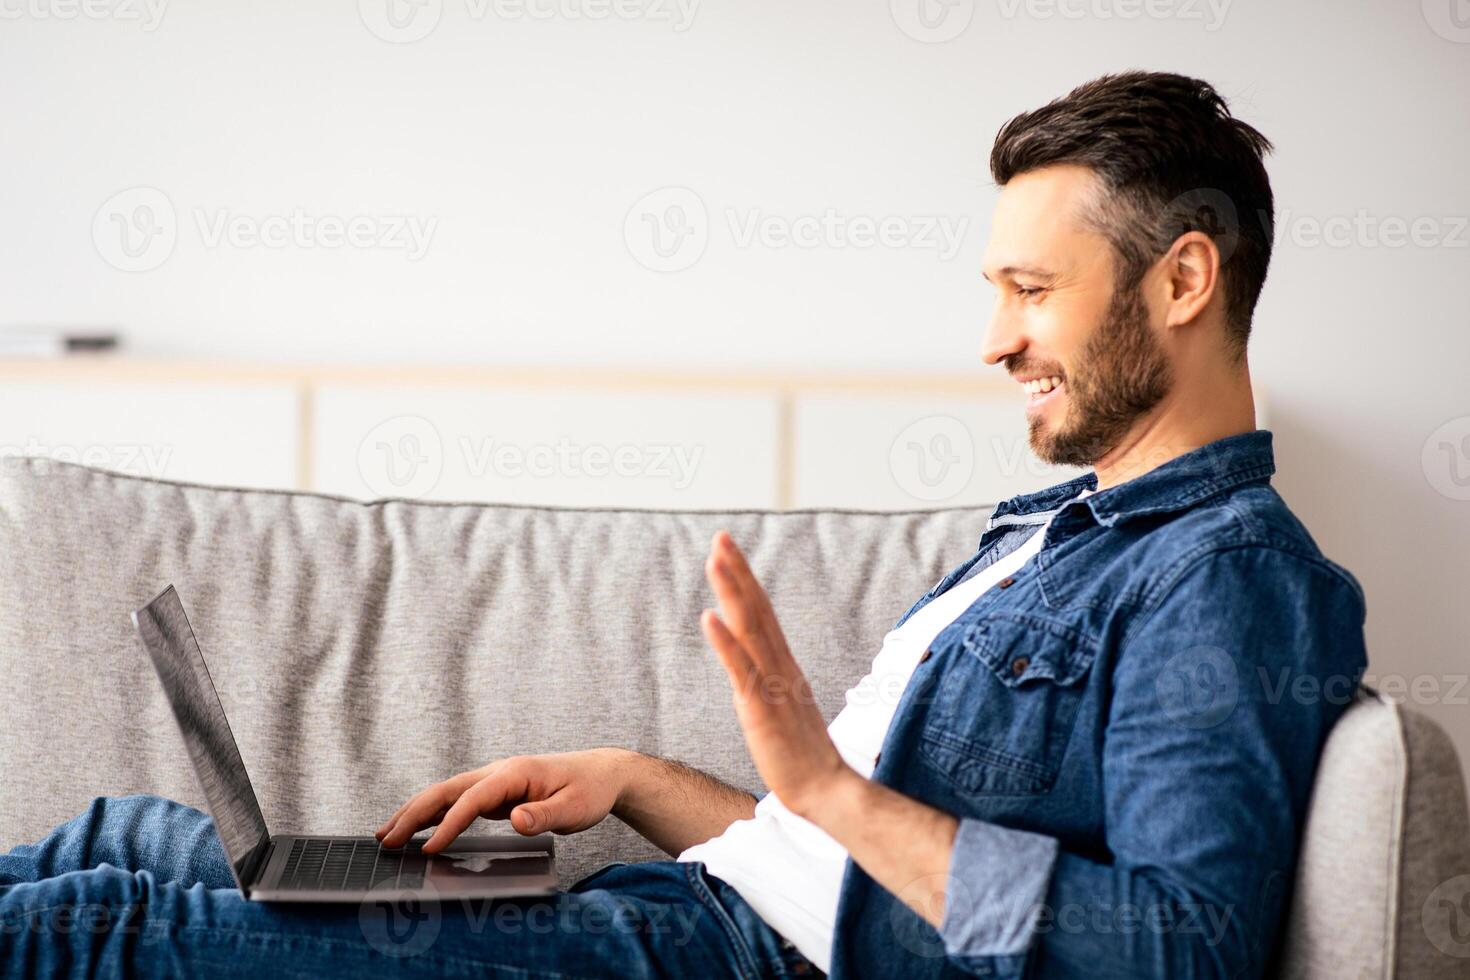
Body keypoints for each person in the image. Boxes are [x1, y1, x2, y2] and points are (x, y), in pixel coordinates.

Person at [0, 71, 1366, 979]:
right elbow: (829, 870)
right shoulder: (1054, 534)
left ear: (1182, 278)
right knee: (113, 837)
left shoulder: (1222, 574)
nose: (994, 339)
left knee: (97, 933)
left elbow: (1183, 948)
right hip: (695, 913)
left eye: (1028, 288)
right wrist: (643, 779)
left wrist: (830, 791)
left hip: (718, 965)